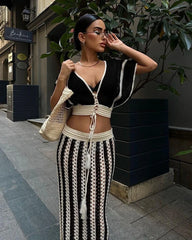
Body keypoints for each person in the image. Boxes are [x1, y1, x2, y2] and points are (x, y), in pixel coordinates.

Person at [50, 13, 157, 240]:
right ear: (81, 36)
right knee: (71, 201)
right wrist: (61, 77)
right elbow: (54, 106)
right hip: (71, 144)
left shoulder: (115, 67)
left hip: (104, 145)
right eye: (97, 31)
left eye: (104, 31)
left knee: (97, 204)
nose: (103, 36)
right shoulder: (70, 69)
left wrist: (121, 47)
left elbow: (150, 64)